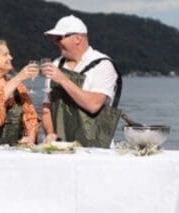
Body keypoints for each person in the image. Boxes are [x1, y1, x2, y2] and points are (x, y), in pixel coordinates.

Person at [41, 15, 122, 148]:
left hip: (96, 147)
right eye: (54, 38)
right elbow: (47, 107)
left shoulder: (103, 65)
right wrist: (50, 133)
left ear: (78, 38)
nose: (55, 42)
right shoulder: (56, 64)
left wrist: (63, 79)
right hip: (61, 147)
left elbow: (93, 105)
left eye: (59, 38)